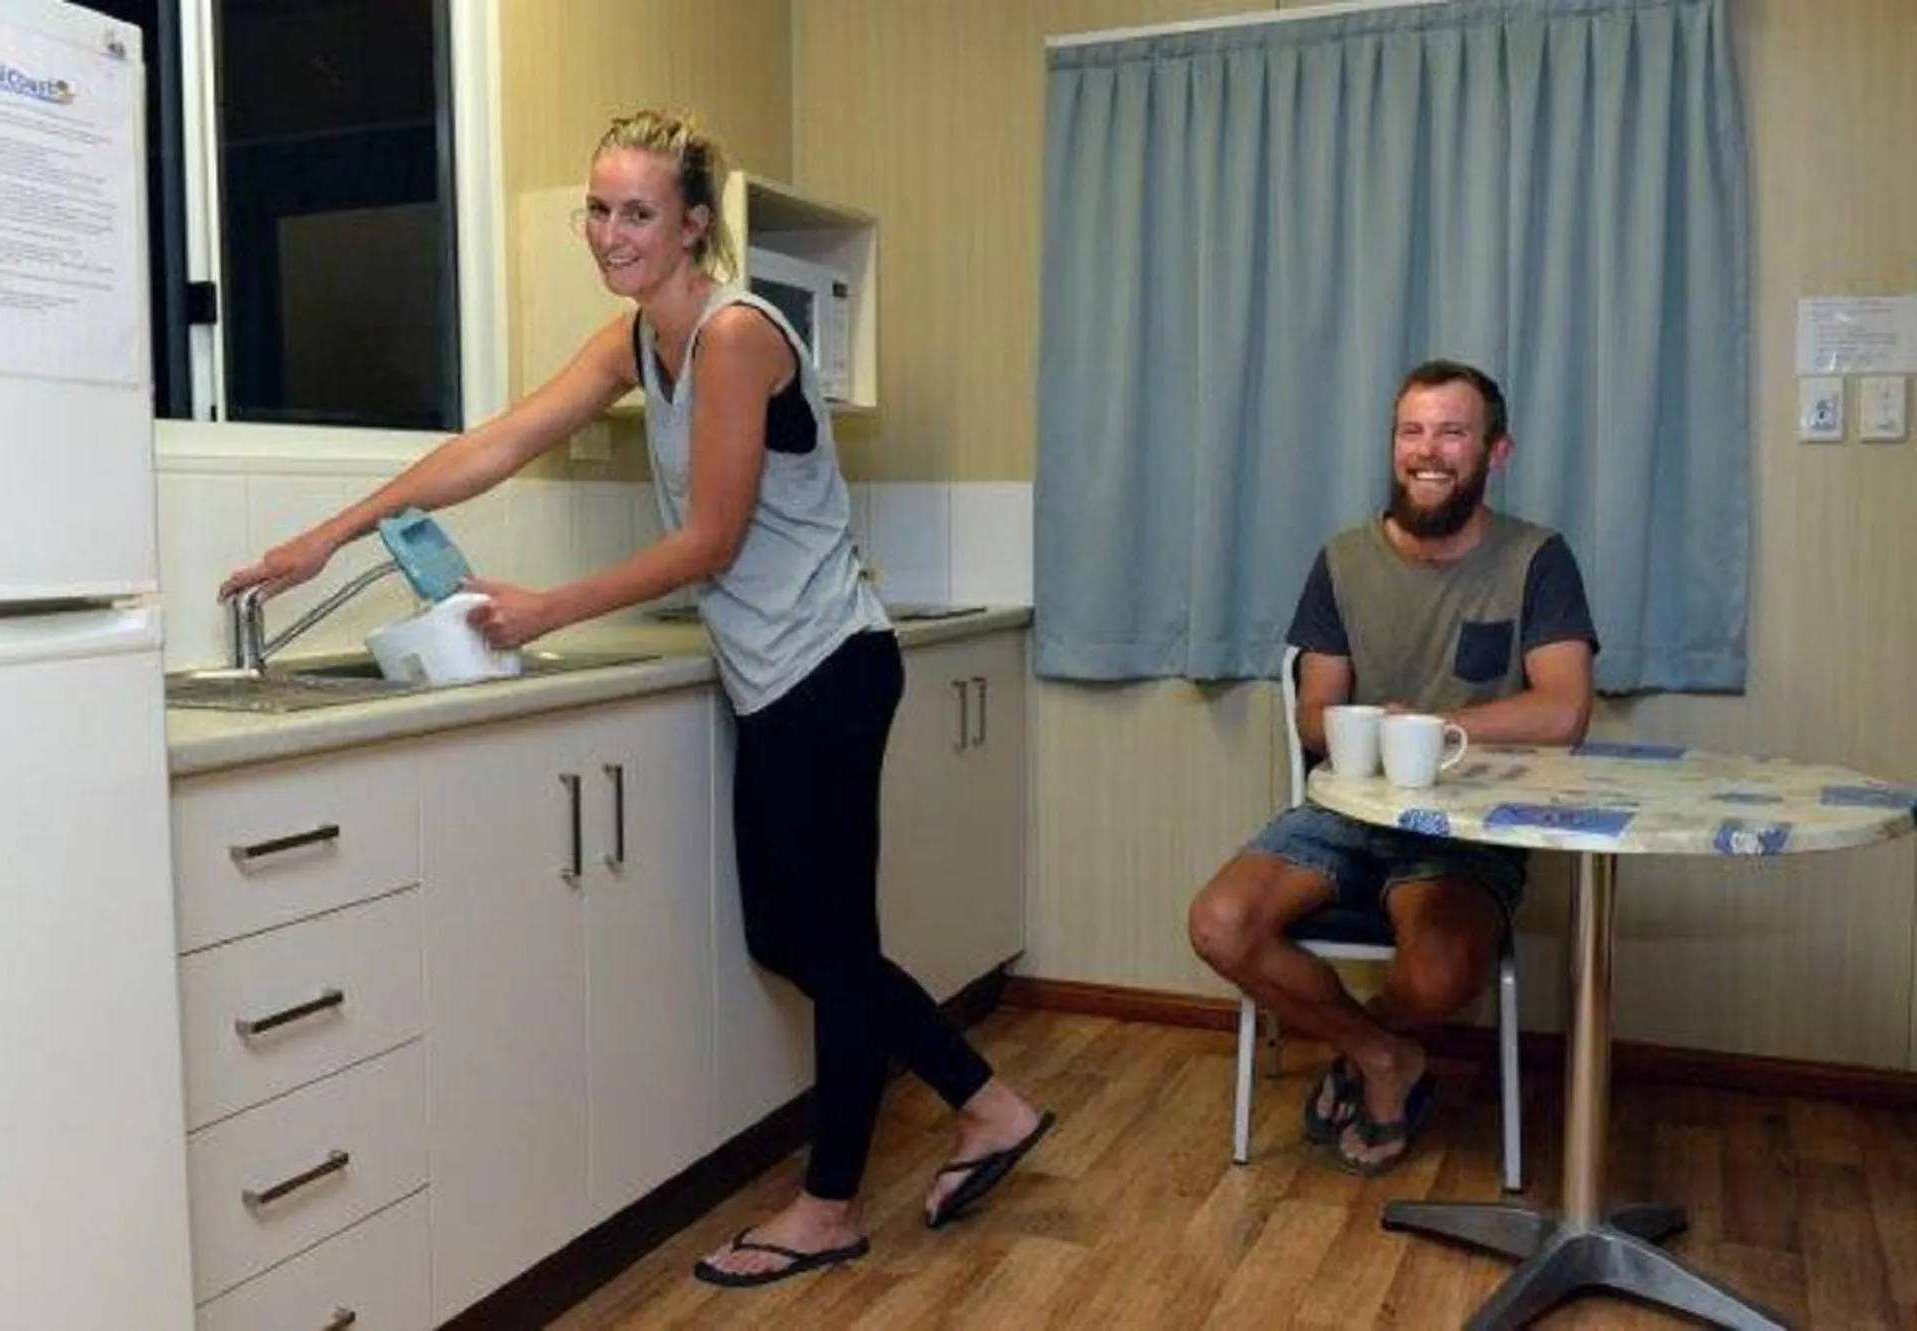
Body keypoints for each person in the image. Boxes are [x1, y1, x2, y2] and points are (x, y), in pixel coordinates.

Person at [218, 108, 1052, 1287]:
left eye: (638, 212)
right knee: (792, 934)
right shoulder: (637, 340)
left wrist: (548, 608)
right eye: (598, 209)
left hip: (826, 669)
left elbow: (710, 537)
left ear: (693, 225)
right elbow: (500, 441)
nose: (612, 233)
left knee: (827, 939)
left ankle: (830, 1204)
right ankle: (986, 1101)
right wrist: (327, 533)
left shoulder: (733, 338)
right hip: (776, 675)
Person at [1186, 359, 1597, 1177]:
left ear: (1496, 449)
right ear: (1393, 445)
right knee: (1218, 925)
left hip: (1467, 825)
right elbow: (1314, 714)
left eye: (1452, 431)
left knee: (1440, 972)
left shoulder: (1537, 557)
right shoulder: (1343, 559)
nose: (1429, 450)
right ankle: (1382, 1058)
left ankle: (1365, 1041)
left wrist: (1437, 726)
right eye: (1412, 431)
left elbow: (1563, 710)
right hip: (1344, 807)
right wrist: (1364, 732)